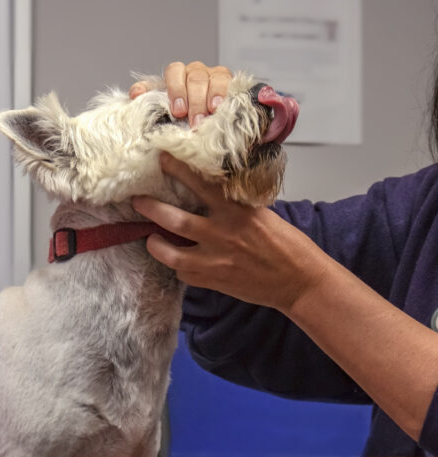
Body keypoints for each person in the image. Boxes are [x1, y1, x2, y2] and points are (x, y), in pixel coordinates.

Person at [129, 61, 438, 456]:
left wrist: (302, 288)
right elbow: (242, 286)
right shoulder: (421, 212)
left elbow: (291, 266)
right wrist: (187, 164)